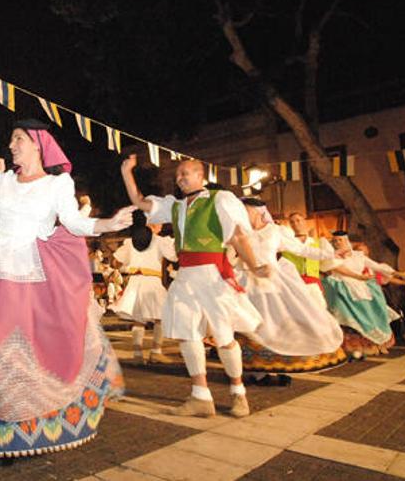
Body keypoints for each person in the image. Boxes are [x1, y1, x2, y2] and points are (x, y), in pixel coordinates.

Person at [0, 104, 133, 464]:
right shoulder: (4, 181)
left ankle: (19, 437)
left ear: (37, 145)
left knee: (24, 356)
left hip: (35, 279)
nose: (12, 145)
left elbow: (75, 224)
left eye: (18, 140)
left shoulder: (58, 183)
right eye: (12, 139)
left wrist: (108, 224)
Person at [121, 153, 269, 418]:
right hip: (185, 276)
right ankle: (201, 396)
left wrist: (255, 265)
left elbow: (237, 235)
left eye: (185, 173)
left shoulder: (219, 199)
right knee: (188, 333)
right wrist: (127, 172)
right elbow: (138, 202)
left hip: (213, 276)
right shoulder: (175, 206)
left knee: (224, 336)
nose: (180, 178)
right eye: (177, 174)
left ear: (201, 176)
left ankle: (238, 393)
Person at [234, 199, 346, 382]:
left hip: (271, 281)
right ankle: (257, 369)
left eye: (244, 209)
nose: (240, 213)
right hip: (246, 282)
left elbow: (302, 250)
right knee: (252, 325)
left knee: (275, 324)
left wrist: (330, 254)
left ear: (258, 211)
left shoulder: (276, 232)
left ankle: (280, 367)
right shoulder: (239, 232)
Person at [321, 232, 405, 358]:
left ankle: (373, 344)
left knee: (370, 316)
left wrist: (400, 274)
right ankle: (345, 347)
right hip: (341, 288)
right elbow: (338, 269)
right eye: (335, 241)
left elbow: (377, 267)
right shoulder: (332, 257)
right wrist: (358, 276)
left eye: (340, 240)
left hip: (361, 289)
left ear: (346, 240)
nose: (337, 243)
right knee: (343, 317)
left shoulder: (359, 256)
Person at [110, 218, 177, 364]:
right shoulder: (160, 241)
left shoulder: (131, 241)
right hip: (152, 281)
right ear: (156, 225)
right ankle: (155, 352)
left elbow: (116, 261)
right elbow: (174, 256)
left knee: (138, 320)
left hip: (135, 280)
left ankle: (137, 354)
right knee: (160, 317)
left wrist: (128, 265)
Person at [282, 212, 335, 309]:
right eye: (292, 222)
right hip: (293, 281)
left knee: (319, 310)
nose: (295, 224)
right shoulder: (285, 243)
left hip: (312, 280)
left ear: (304, 222)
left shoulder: (318, 242)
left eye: (298, 220)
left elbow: (327, 263)